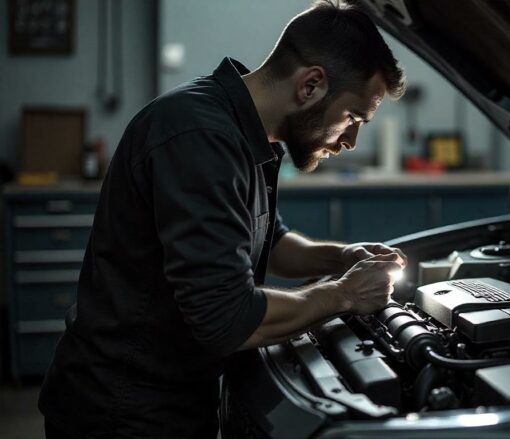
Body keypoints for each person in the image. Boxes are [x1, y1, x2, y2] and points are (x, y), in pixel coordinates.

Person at [38, 1, 406, 437]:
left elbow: (270, 239)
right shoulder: (201, 137)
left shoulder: (244, 132)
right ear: (311, 85)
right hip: (122, 412)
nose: (350, 140)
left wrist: (341, 257)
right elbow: (226, 317)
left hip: (166, 396)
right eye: (352, 118)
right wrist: (344, 296)